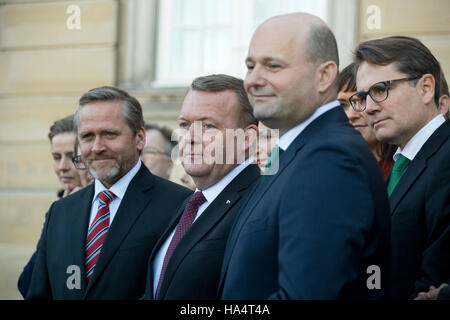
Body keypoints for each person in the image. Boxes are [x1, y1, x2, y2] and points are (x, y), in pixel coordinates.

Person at [218, 13, 391, 299]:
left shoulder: (330, 159)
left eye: (273, 66)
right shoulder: (299, 150)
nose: (253, 80)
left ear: (324, 75)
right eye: (250, 66)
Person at [26, 86, 192, 299]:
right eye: (87, 136)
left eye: (109, 134)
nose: (97, 147)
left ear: (140, 138)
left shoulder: (180, 206)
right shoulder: (61, 212)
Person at [141, 74, 260, 300]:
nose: (190, 138)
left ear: (247, 138)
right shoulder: (189, 204)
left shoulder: (260, 203)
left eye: (208, 126)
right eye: (185, 125)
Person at [352, 36, 450, 299]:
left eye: (381, 89)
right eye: (362, 97)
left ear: (426, 88)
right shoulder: (400, 166)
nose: (369, 108)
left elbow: (435, 276)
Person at [17, 114, 83, 298]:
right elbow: (27, 284)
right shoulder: (58, 209)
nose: (62, 166)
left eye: (71, 157)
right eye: (56, 157)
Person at [337, 63, 395, 178]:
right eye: (343, 105)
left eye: (362, 100)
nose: (351, 115)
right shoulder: (329, 166)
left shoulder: (404, 167)